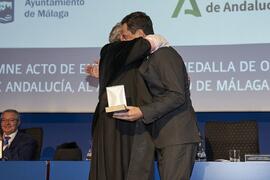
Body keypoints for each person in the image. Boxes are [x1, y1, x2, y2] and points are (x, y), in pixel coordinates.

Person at [113, 11, 200, 180]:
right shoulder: (149, 58)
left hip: (176, 137)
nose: (122, 41)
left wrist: (142, 112)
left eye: (124, 36)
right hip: (164, 137)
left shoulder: (164, 55)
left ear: (139, 35)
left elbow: (176, 95)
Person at [89, 22, 168, 180]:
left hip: (129, 124)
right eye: (126, 36)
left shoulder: (124, 62)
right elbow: (144, 44)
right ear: (121, 38)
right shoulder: (111, 49)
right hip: (118, 127)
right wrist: (158, 39)